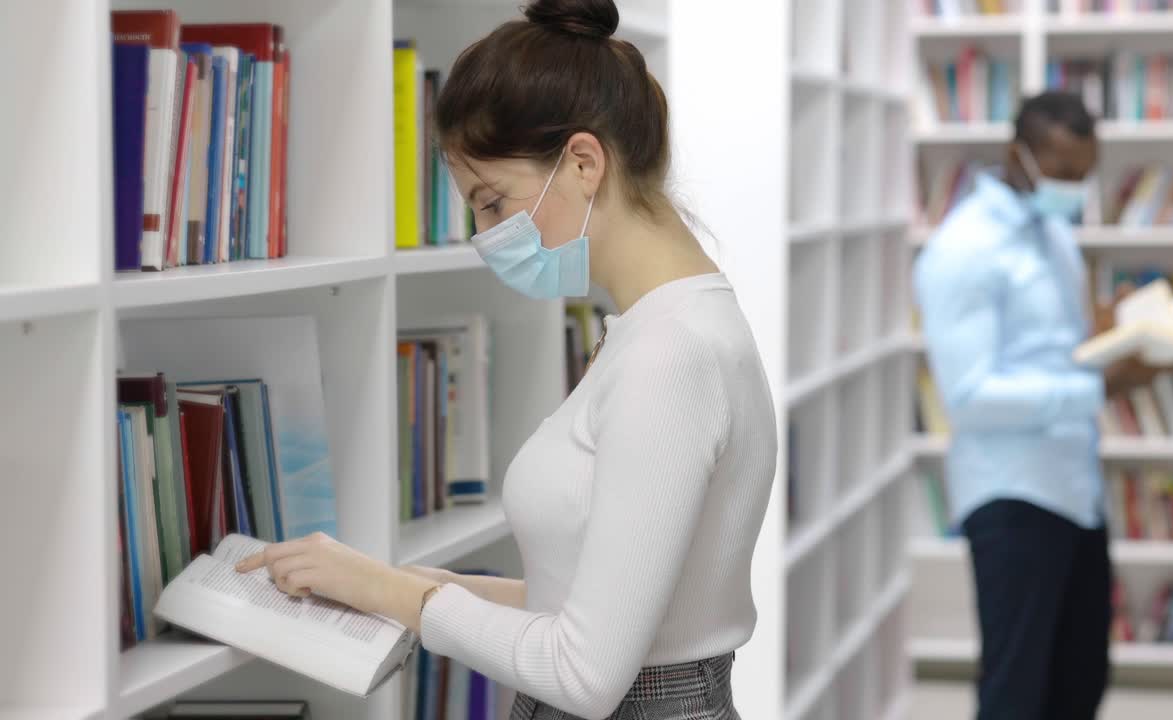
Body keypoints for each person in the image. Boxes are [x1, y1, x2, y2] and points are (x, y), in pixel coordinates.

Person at [235, 1, 777, 719]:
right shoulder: (657, 329)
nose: (485, 236)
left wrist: (394, 594)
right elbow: (591, 612)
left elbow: (585, 675)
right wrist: (381, 580)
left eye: (492, 204)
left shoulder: (672, 354)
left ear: (584, 162)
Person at [912, 92, 1160, 720]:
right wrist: (1098, 390)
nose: (1075, 187)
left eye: (1085, 173)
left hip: (1076, 487)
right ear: (1016, 156)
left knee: (1080, 680)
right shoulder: (964, 249)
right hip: (1013, 496)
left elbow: (1053, 348)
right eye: (1064, 172)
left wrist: (1120, 334)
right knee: (1015, 692)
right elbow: (967, 399)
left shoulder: (1053, 232)